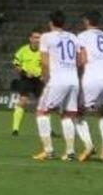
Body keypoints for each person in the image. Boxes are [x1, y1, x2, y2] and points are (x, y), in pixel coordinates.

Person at [32, 11, 81, 161]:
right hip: (73, 79)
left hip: (57, 79)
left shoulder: (46, 37)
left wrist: (45, 76)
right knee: (67, 115)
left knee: (42, 112)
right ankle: (70, 152)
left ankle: (48, 151)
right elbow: (79, 60)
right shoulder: (73, 37)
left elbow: (44, 61)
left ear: (50, 23)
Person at [76, 10, 103, 161]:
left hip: (92, 77)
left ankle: (89, 145)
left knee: (77, 113)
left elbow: (83, 60)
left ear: (86, 21)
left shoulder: (81, 36)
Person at [11, 29, 43, 136]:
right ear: (30, 39)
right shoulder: (23, 50)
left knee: (43, 105)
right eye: (35, 37)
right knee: (23, 101)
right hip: (26, 79)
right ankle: (15, 129)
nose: (37, 40)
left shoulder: (43, 51)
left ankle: (46, 129)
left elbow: (47, 64)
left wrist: (44, 75)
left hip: (39, 79)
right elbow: (16, 64)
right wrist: (25, 73)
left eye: (39, 38)